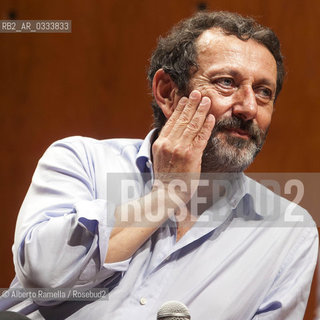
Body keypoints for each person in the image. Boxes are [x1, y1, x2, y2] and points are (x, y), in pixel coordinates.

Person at [1, 10, 318, 320]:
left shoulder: (290, 231)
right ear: (167, 92)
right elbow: (43, 279)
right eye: (226, 82)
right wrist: (165, 195)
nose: (249, 107)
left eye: (264, 92)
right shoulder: (81, 160)